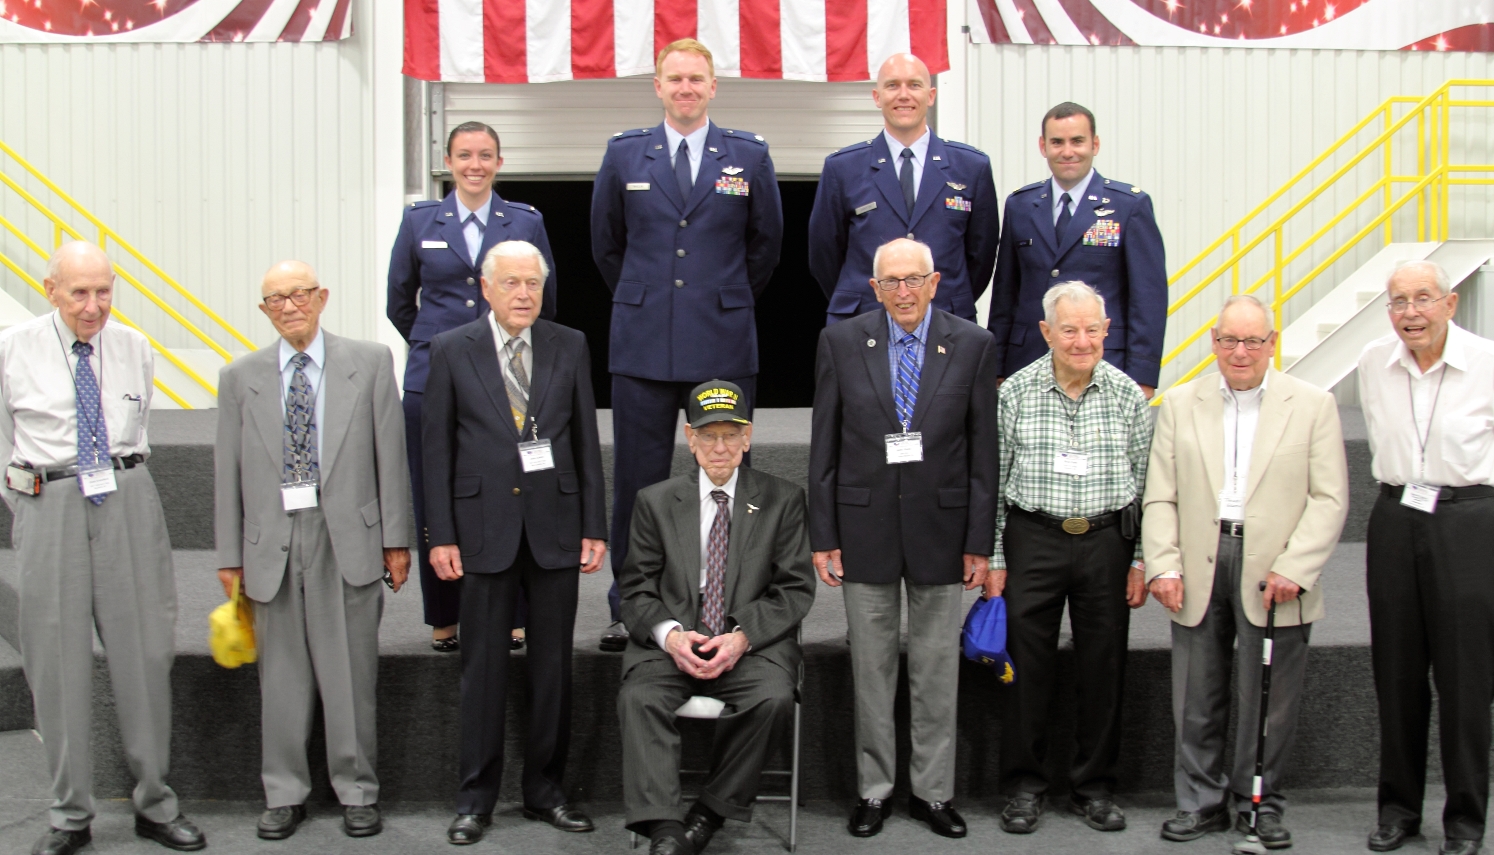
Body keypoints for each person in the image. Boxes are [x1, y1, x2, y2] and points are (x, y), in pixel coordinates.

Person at [1, 241, 204, 855]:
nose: (94, 307)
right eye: (80, 293)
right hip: (50, 501)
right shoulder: (14, 349)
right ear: (50, 289)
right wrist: (34, 503)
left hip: (128, 498)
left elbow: (135, 429)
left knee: (145, 653)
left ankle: (154, 802)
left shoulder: (133, 347)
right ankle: (70, 814)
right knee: (56, 665)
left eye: (104, 292)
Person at [591, 37, 784, 653]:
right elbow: (606, 247)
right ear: (658, 86)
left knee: (732, 485)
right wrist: (656, 298)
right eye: (675, 79)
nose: (685, 89)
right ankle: (631, 607)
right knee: (638, 485)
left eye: (696, 79)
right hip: (643, 344)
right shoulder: (625, 155)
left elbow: (766, 246)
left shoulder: (748, 155)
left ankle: (732, 605)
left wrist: (711, 296)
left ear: (713, 87)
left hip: (721, 341)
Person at [215, 261, 412, 840]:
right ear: (264, 310)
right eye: (274, 299)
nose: (289, 306)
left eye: (299, 294)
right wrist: (230, 555)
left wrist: (395, 541)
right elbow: (225, 471)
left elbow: (390, 458)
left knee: (351, 671)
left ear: (322, 297)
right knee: (281, 677)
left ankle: (357, 790)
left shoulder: (371, 363)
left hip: (347, 536)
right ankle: (284, 792)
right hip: (271, 541)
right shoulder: (239, 376)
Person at [1142, 294, 1348, 849]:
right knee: (1196, 697)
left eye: (1253, 340)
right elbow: (1160, 498)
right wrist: (1163, 564)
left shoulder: (1312, 405)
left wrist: (1296, 568)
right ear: (1213, 342)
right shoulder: (1181, 404)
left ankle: (1261, 803)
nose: (1240, 351)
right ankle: (1199, 803)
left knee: (1270, 701)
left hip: (1276, 573)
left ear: (1272, 344)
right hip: (1200, 565)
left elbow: (1329, 498)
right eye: (1228, 340)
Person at [808, 237, 998, 839]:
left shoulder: (973, 344)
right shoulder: (841, 341)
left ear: (935, 281)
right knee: (872, 668)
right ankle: (874, 789)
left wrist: (979, 540)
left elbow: (983, 453)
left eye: (914, 279)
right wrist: (824, 534)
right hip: (862, 527)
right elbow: (824, 448)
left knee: (937, 670)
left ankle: (933, 792)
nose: (904, 292)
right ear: (875, 288)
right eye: (891, 282)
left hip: (943, 529)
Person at [422, 240, 607, 844]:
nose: (525, 294)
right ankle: (475, 799)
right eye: (512, 284)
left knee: (553, 667)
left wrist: (593, 525)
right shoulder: (451, 350)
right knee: (482, 672)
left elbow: (584, 439)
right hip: (482, 531)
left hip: (555, 527)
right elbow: (436, 452)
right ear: (486, 287)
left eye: (534, 283)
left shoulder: (569, 344)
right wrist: (441, 534)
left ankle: (546, 793)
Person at [617, 380, 815, 855]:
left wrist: (742, 637)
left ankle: (707, 814)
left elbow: (794, 589)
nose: (720, 447)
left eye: (731, 435)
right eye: (709, 436)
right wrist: (670, 637)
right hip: (674, 643)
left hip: (749, 645)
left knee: (771, 700)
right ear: (690, 438)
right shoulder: (655, 501)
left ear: (748, 437)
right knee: (639, 698)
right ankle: (666, 832)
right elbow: (636, 588)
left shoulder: (783, 498)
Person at [388, 121, 558, 652]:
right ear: (448, 160)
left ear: (499, 163)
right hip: (433, 376)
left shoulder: (524, 222)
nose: (475, 165)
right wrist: (441, 349)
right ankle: (445, 615)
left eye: (485, 155)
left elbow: (544, 302)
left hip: (508, 375)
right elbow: (400, 300)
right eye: (464, 155)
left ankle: (514, 613)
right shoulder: (419, 220)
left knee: (512, 491)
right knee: (435, 491)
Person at [991, 280, 1151, 835]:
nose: (1081, 341)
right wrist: (993, 557)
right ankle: (1024, 785)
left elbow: (1149, 483)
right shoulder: (1014, 393)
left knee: (1103, 665)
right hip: (1032, 538)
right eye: (1069, 330)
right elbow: (993, 481)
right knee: (1024, 667)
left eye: (1092, 330)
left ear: (1107, 331)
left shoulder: (1130, 396)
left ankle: (1095, 786)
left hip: (1108, 541)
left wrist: (1141, 560)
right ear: (1046, 333)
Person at [1358, 261, 1494, 855]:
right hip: (1393, 519)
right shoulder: (1372, 363)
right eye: (1398, 302)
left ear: (1450, 303)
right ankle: (1398, 811)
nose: (1410, 312)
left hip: (1468, 521)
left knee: (1466, 679)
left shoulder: (1488, 364)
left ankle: (1465, 821)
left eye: (1422, 299)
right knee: (1396, 674)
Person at [986, 102, 1166, 397]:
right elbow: (1006, 295)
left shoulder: (1128, 206)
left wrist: (1143, 374)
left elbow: (1148, 299)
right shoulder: (1020, 206)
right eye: (1057, 142)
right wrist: (999, 367)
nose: (1067, 151)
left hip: (1105, 363)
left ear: (1095, 144)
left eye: (1077, 141)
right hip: (1029, 360)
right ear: (1043, 146)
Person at [807, 52, 998, 324]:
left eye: (914, 85)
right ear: (877, 96)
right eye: (893, 85)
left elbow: (982, 254)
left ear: (931, 95)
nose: (904, 95)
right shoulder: (843, 168)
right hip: (864, 319)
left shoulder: (970, 167)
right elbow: (823, 254)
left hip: (946, 319)